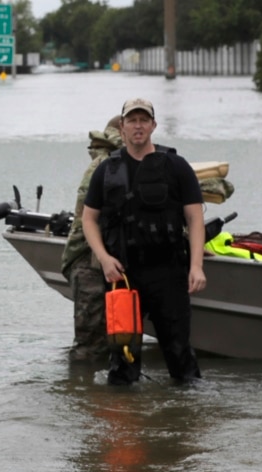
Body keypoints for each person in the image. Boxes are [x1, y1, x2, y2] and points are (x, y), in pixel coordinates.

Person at [81, 97, 206, 386]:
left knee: (180, 357)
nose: (138, 126)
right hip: (123, 275)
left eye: (143, 120)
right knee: (123, 360)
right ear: (122, 127)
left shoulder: (176, 166)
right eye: (132, 121)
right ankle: (125, 424)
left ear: (153, 125)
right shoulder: (106, 170)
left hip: (169, 272)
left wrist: (196, 266)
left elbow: (195, 219)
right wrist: (103, 258)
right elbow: (89, 219)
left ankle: (185, 422)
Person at [60, 115, 122, 361]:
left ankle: (94, 395)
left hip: (105, 261)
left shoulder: (114, 163)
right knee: (91, 346)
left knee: (115, 339)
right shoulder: (104, 166)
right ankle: (83, 394)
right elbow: (88, 219)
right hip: (89, 262)